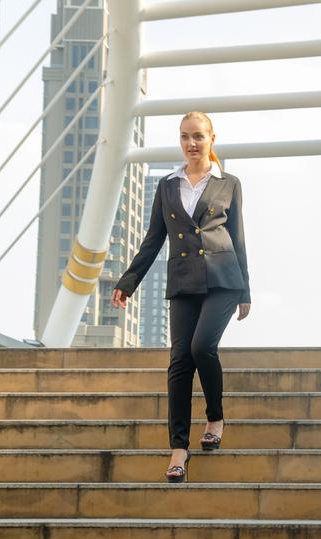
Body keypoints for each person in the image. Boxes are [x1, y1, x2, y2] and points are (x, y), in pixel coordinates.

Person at [112, 111, 251, 483]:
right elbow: (153, 238)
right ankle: (178, 449)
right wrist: (129, 281)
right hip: (184, 281)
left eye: (198, 137)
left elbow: (237, 238)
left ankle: (215, 416)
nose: (192, 143)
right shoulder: (168, 185)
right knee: (178, 361)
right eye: (185, 136)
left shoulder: (229, 183)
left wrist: (246, 291)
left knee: (202, 346)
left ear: (211, 139)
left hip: (224, 279)